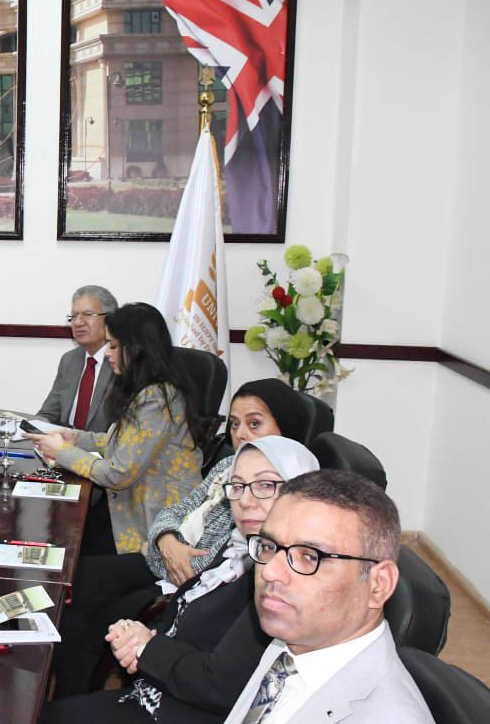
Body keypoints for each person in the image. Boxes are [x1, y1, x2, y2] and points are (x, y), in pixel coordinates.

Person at [21, 437, 320, 724]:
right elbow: (189, 615)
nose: (246, 500)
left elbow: (219, 683)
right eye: (238, 486)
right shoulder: (241, 551)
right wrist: (143, 639)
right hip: (162, 699)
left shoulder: (279, 582)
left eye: (265, 485)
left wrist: (150, 649)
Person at [154, 470, 454, 724]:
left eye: (309, 556)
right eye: (269, 547)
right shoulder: (291, 646)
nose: (270, 572)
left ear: (378, 585)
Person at [52, 378, 319, 695]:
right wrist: (165, 540)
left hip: (179, 586)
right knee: (70, 584)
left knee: (90, 622)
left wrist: (161, 546)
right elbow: (174, 512)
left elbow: (201, 569)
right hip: (164, 563)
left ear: (286, 428)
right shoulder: (228, 466)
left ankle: (73, 703)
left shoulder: (276, 496)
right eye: (234, 424)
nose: (241, 434)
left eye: (254, 424)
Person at [28, 303, 203, 555]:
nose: (108, 354)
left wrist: (63, 452)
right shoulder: (145, 389)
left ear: (136, 348)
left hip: (155, 526)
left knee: (70, 551)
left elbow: (118, 474)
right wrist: (76, 438)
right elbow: (125, 442)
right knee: (63, 535)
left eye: (112, 346)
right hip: (129, 506)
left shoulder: (157, 398)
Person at [37, 285, 117, 432]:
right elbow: (49, 414)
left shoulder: (121, 362)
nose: (78, 322)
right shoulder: (70, 360)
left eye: (88, 314)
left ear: (109, 319)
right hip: (62, 443)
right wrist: (30, 428)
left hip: (100, 445)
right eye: (74, 316)